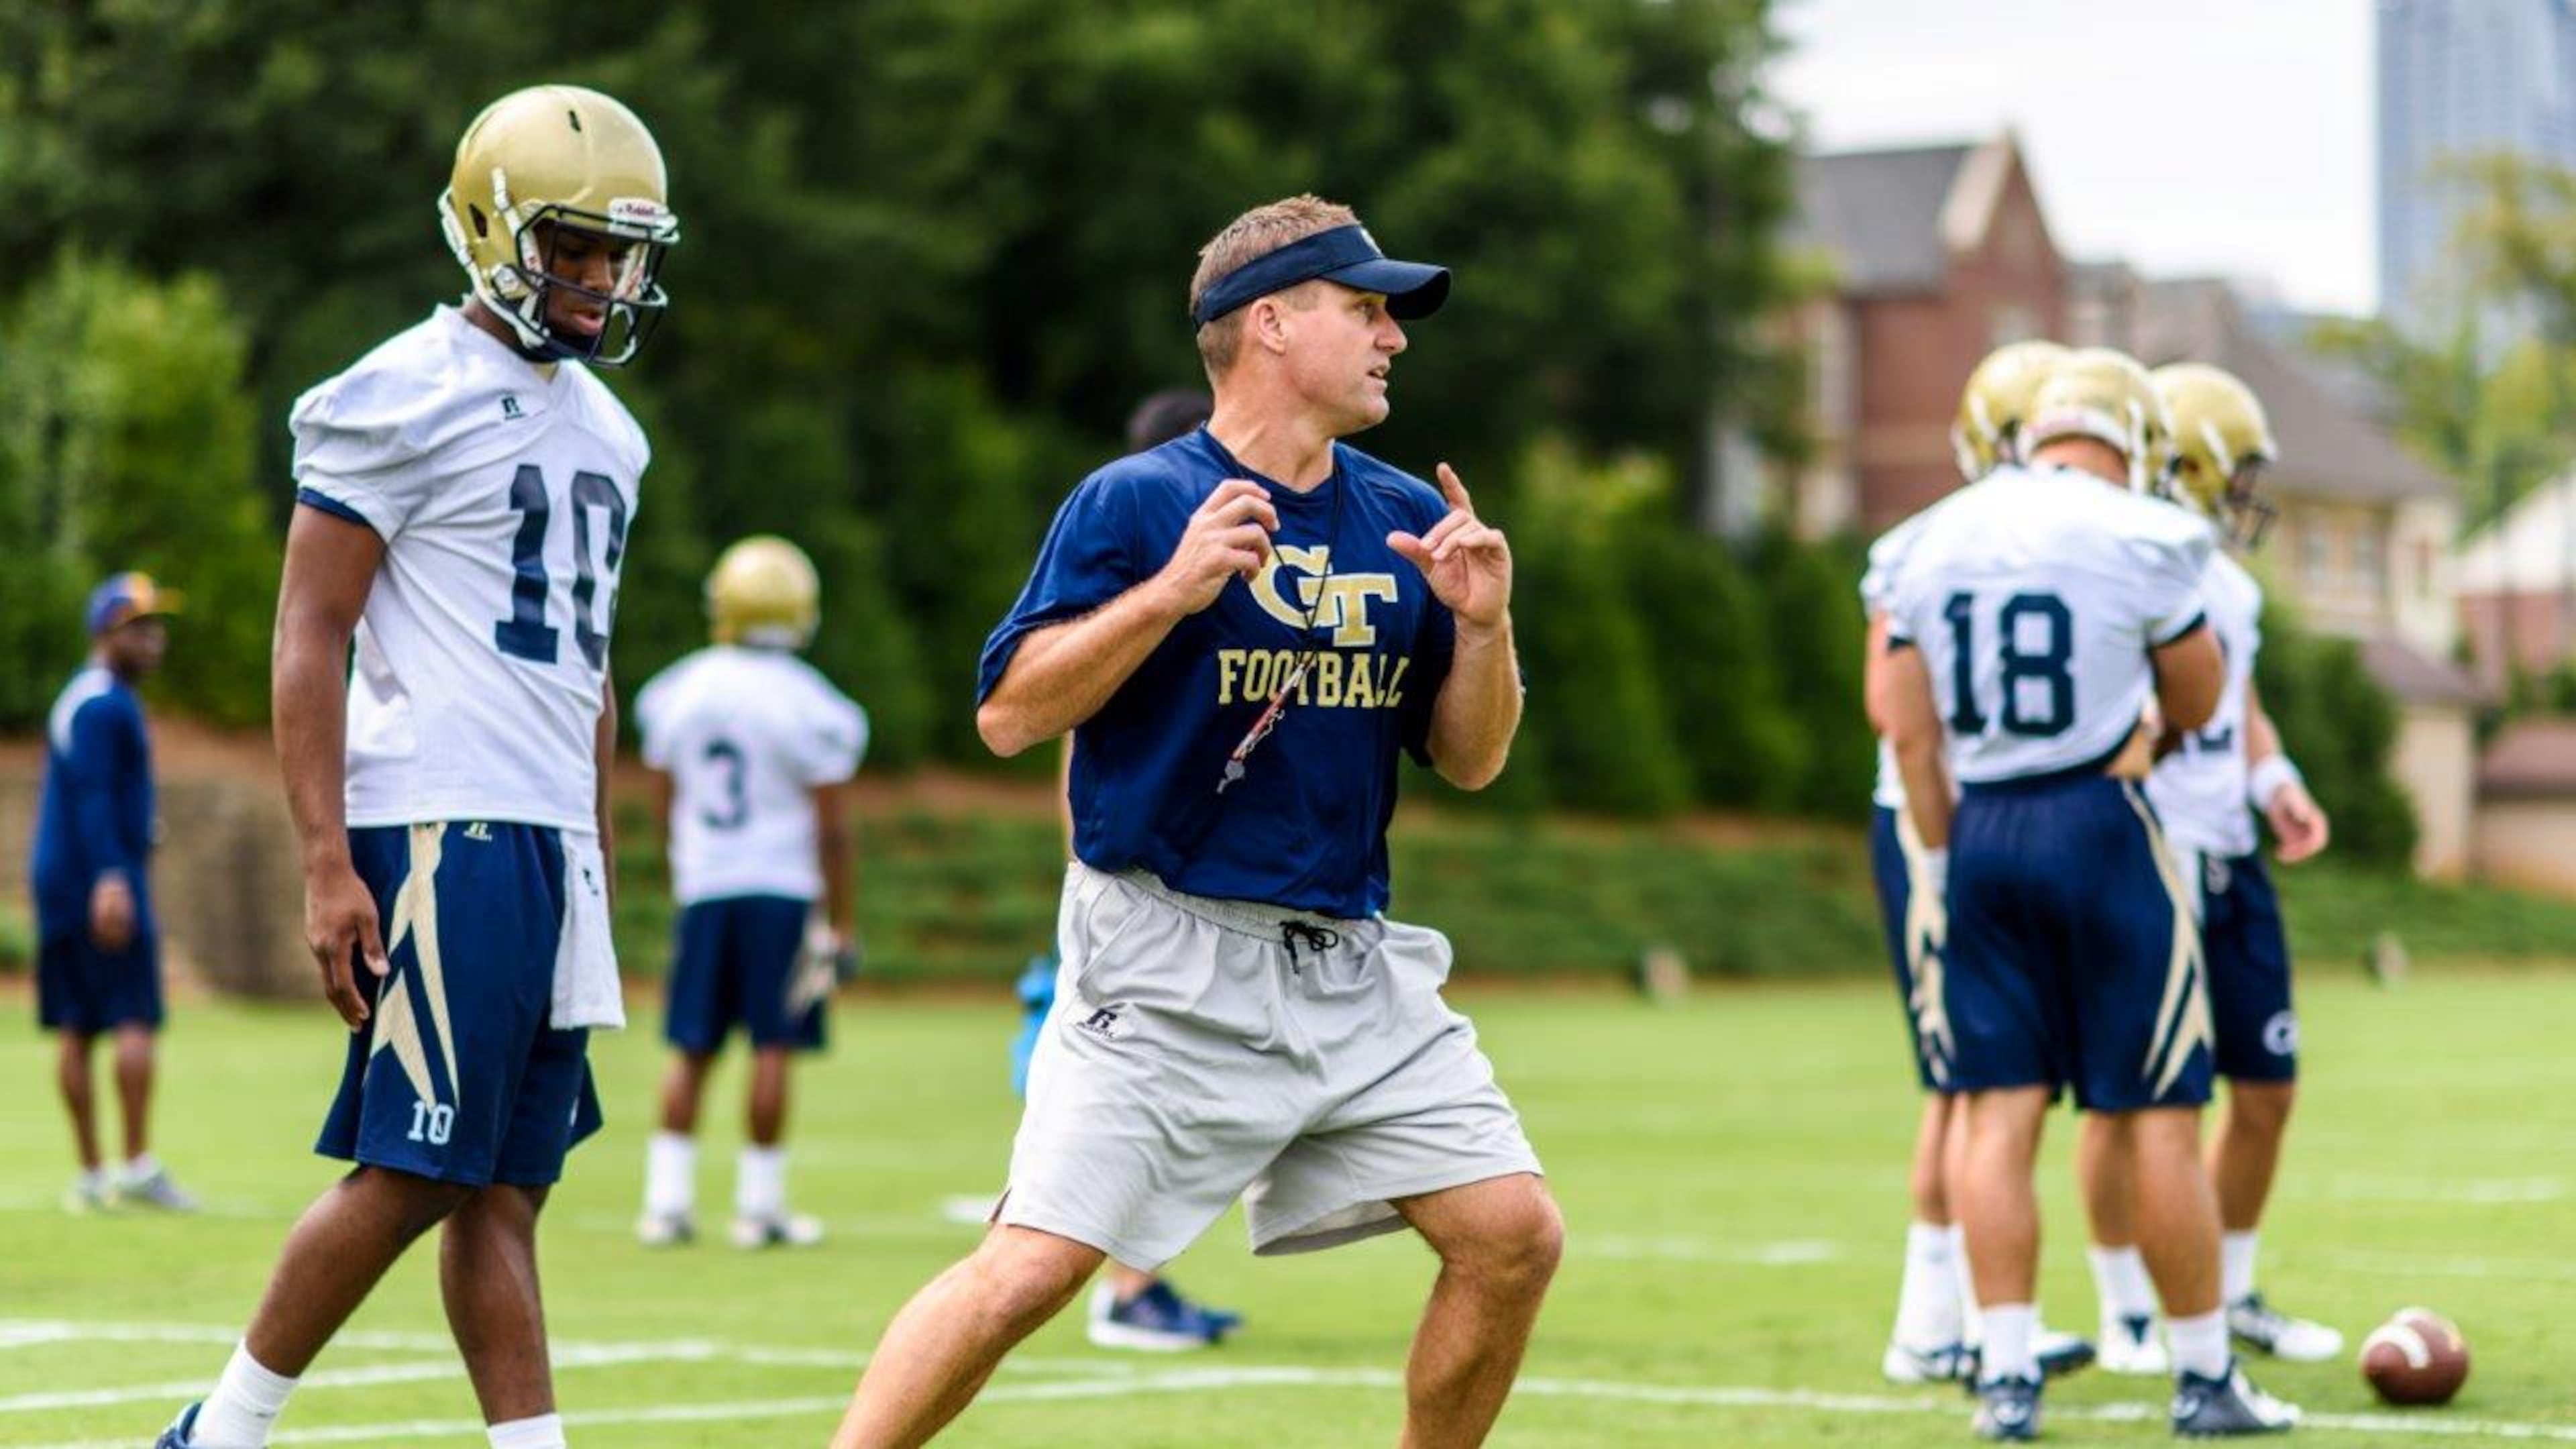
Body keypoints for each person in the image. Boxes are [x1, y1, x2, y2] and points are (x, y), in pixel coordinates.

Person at [832, 194, 1558, 1448]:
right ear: (1270, 324)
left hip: (1348, 964)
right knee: (1030, 1273)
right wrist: (1170, 593)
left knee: (1511, 1237)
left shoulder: (1400, 517)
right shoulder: (1131, 502)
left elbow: (1472, 759)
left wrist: (1484, 624)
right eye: (1367, 310)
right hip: (1162, 965)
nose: (1395, 339)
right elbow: (1010, 715)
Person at [155, 84, 677, 1449]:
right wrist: (326, 861)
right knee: (410, 1168)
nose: (599, 280)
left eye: (617, 254)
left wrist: (599, 855)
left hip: (547, 837)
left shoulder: (611, 431)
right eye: (573, 248)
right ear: (493, 229)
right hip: (443, 823)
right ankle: (224, 1430)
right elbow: (307, 630)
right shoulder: (397, 390)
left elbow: (591, 679)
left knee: (508, 1187)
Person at [1879, 349, 2298, 1439]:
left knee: (1997, 1112)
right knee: (2157, 1109)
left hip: (1981, 830)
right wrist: (2141, 744)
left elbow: (1906, 726)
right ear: (2135, 442)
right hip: (2102, 823)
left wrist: (1946, 847)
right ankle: (2203, 1378)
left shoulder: (1927, 537)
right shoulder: (2145, 532)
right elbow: (2200, 694)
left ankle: (2006, 1373)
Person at [2076, 364, 2340, 1369]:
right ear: (2187, 465)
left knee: (2265, 1088)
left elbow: (2242, 709)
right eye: (2236, 477)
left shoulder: (2222, 581)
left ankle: (2229, 1292)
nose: (2246, 501)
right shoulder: (2124, 563)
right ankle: (2125, 1311)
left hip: (2232, 853)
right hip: (2152, 853)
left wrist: (2278, 782)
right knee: (2130, 1096)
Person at [1863, 341, 2093, 1385]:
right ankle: (1928, 1320)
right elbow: (1897, 710)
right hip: (1943, 822)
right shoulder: (1936, 543)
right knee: (1965, 1080)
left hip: (1976, 823)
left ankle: (1951, 1310)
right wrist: (1948, 843)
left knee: (1994, 1080)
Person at [1007, 387, 1243, 1350]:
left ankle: (1132, 1280)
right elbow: (1057, 729)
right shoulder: (1147, 571)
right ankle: (1130, 1290)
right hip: (1148, 907)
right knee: (1143, 1114)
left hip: (1206, 902)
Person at [635, 535, 867, 1250]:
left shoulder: (677, 690)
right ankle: (757, 1208)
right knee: (773, 1044)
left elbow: (663, 795)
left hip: (707, 883)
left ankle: (666, 1203)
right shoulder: (814, 704)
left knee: (692, 1045)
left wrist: (686, 867)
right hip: (780, 887)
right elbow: (831, 830)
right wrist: (843, 919)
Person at [33, 571, 197, 1214]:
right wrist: (112, 877)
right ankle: (133, 1167)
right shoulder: (105, 705)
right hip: (102, 882)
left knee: (77, 1025)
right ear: (105, 633)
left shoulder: (84, 697)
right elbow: (95, 795)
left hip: (63, 884)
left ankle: (93, 1176)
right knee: (132, 1016)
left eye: (158, 628)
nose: (154, 641)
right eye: (140, 628)